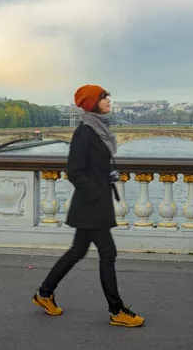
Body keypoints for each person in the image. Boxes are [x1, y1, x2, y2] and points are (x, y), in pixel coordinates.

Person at [32, 84, 145, 327]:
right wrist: (96, 191)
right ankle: (116, 310)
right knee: (107, 253)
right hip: (92, 204)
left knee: (77, 251)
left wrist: (106, 178)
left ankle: (44, 293)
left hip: (93, 202)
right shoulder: (85, 133)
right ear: (93, 103)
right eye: (104, 97)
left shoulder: (99, 129)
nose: (109, 101)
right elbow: (74, 171)